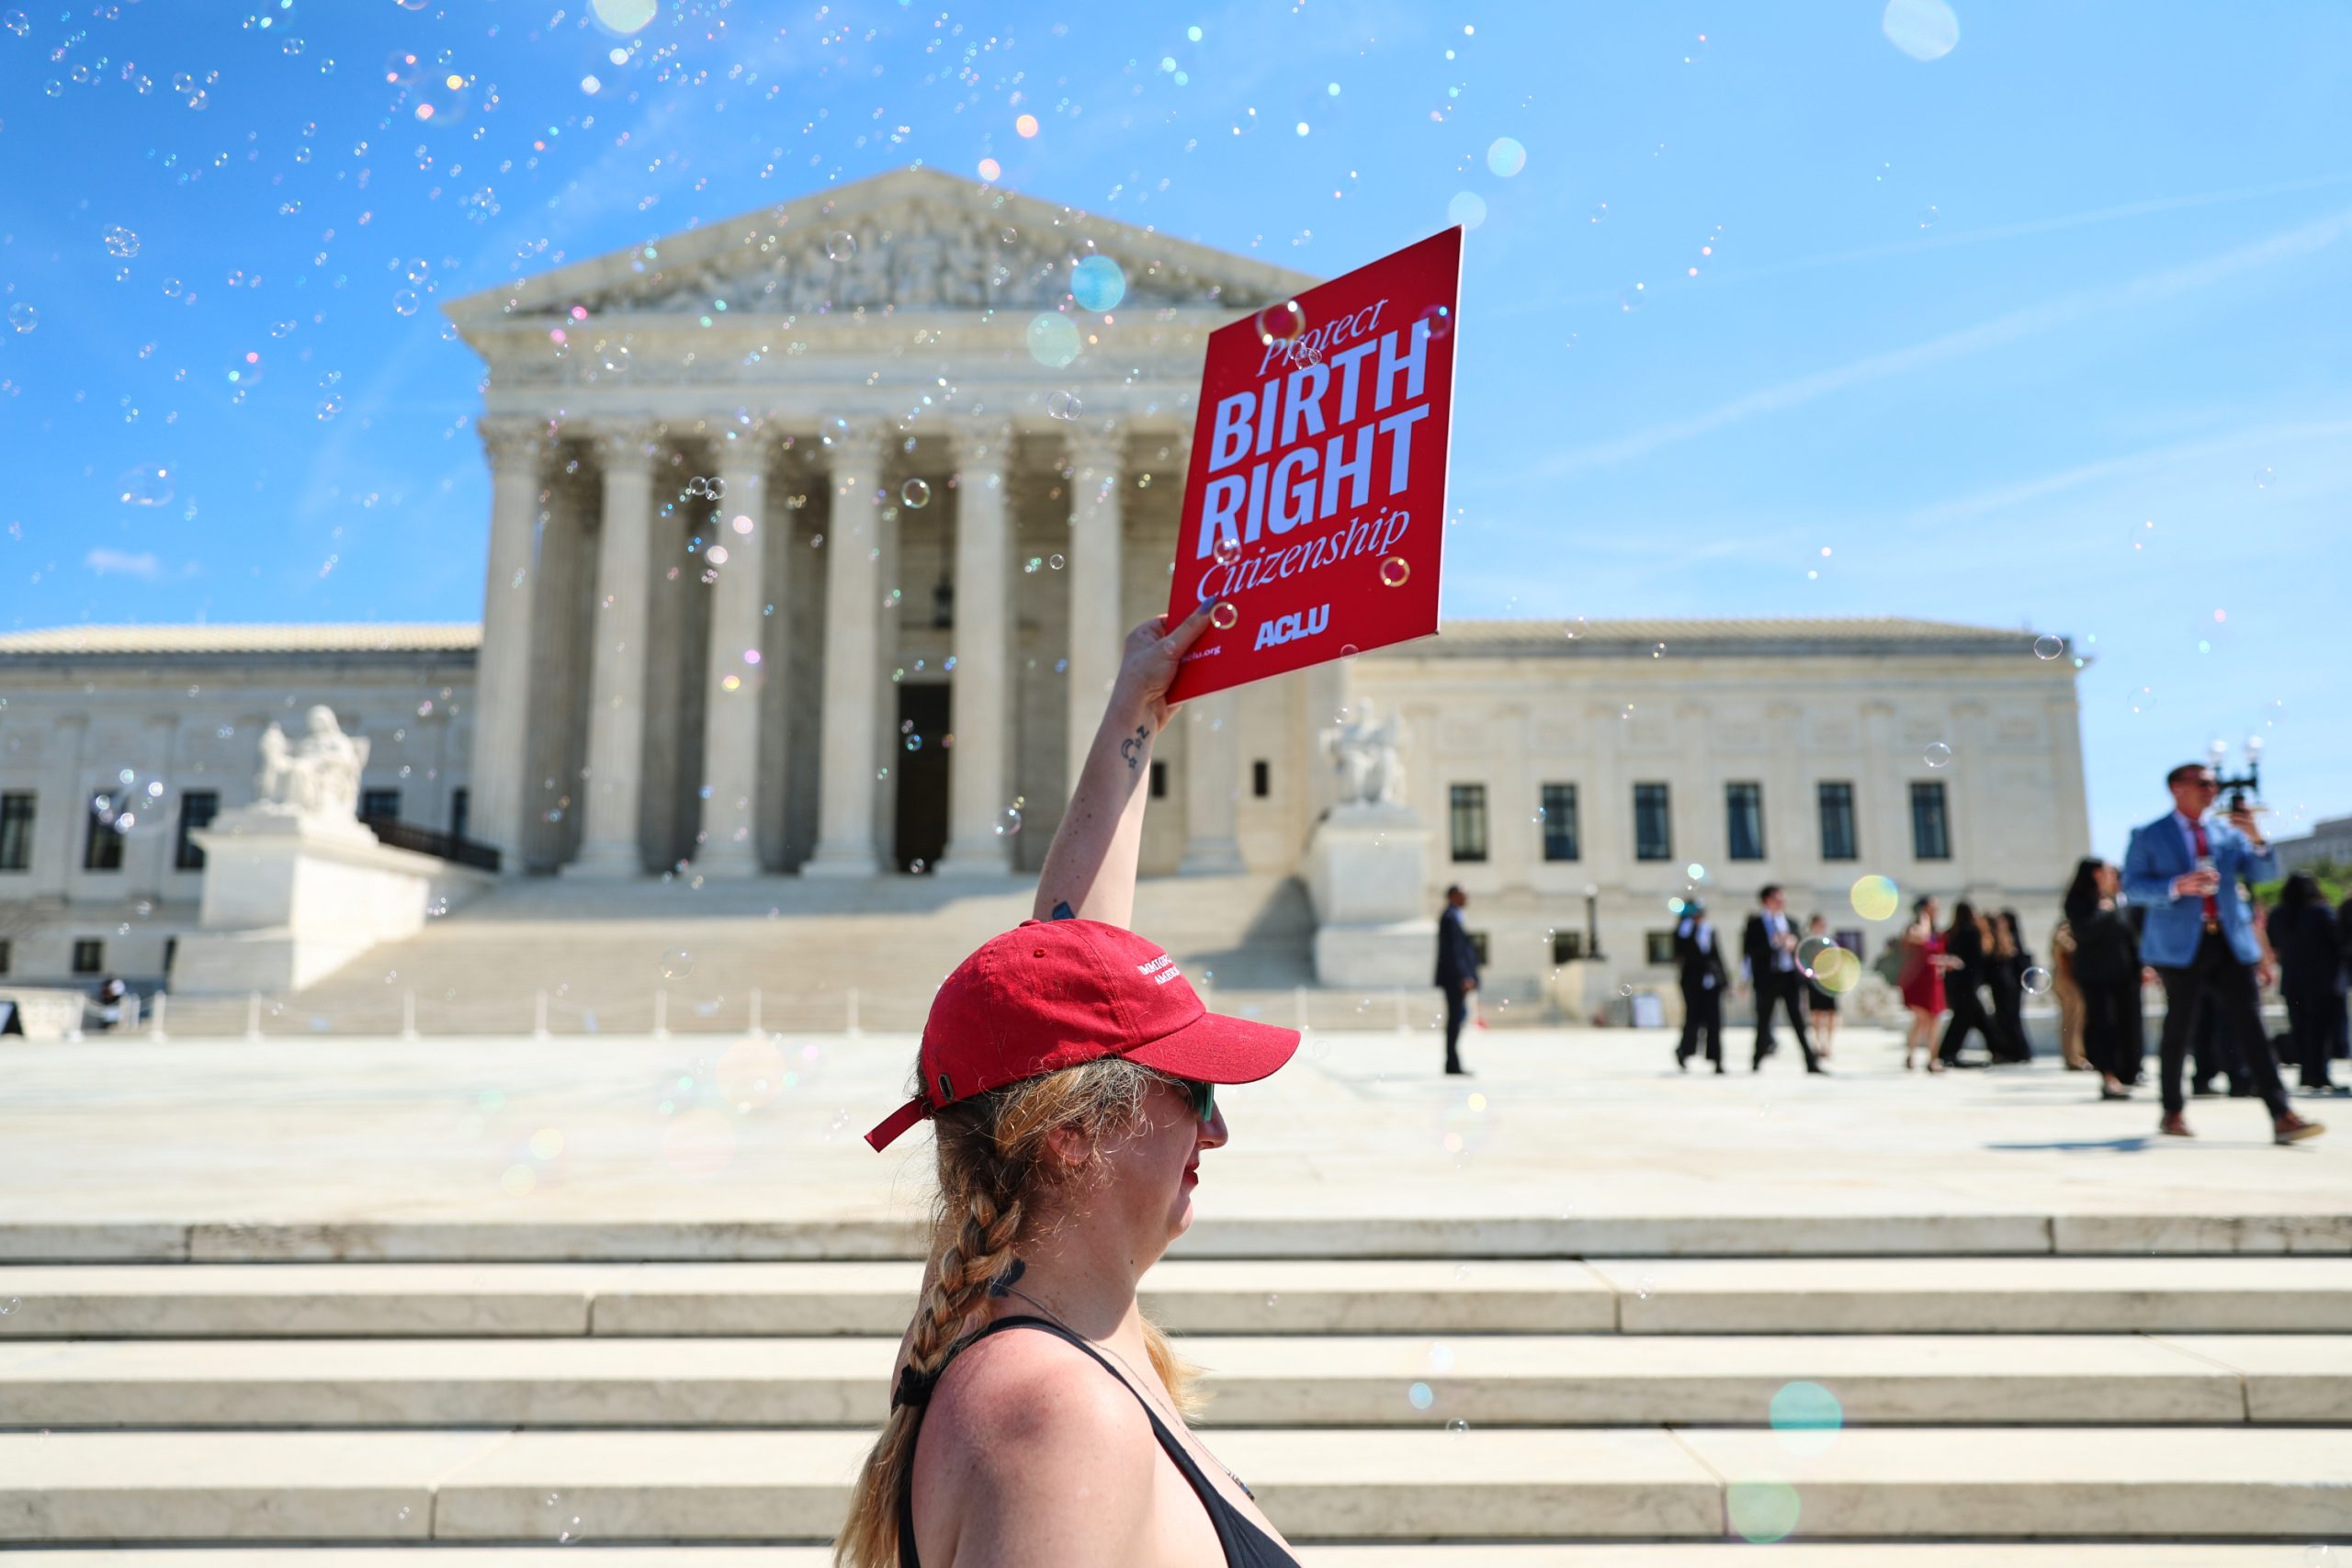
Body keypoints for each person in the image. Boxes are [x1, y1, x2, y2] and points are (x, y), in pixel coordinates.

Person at [841, 602, 1309, 1568]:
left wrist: (1134, 712)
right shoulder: (1052, 1416)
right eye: (1196, 1092)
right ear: (1069, 1134)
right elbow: (1060, 1013)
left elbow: (1061, 983)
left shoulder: (1010, 1322)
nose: (1214, 1136)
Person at [2120, 761, 2322, 1145]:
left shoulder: (2226, 833)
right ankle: (2173, 1110)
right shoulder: (2149, 835)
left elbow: (2264, 876)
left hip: (2228, 941)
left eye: (2213, 783)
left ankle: (2281, 1114)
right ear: (2177, 788)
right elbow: (2133, 887)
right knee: (2179, 1030)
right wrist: (2177, 886)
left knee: (2252, 1028)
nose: (2212, 789)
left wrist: (2257, 839)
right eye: (2203, 782)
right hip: (2181, 946)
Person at [2064, 858, 2143, 1100]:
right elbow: (2084, 932)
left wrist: (2142, 966)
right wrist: (2106, 913)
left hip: (2125, 973)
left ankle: (2129, 1071)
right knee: (2103, 1024)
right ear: (2096, 874)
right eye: (2107, 872)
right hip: (2096, 975)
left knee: (2129, 1022)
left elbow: (2132, 937)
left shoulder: (2121, 901)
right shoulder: (2079, 901)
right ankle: (2109, 1075)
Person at [2268, 874, 2347, 1095]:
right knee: (2320, 1031)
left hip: (2292, 982)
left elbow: (2274, 943)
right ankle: (2318, 1074)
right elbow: (2338, 940)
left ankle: (2307, 1073)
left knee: (2301, 1029)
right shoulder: (2321, 912)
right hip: (2322, 982)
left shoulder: (2277, 914)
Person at [1741, 886, 1824, 1074]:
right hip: (1767, 979)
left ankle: (1811, 1062)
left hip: (1789, 979)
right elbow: (1749, 952)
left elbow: (1803, 950)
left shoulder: (1792, 923)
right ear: (1766, 900)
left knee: (1798, 1021)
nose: (1782, 901)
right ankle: (1756, 1060)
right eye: (1778, 898)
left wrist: (1793, 945)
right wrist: (1773, 943)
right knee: (1763, 1021)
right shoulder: (1755, 924)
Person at [1936, 903, 2007, 1067]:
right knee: (1968, 1019)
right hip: (1968, 985)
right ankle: (1998, 1050)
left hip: (1954, 984)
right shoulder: (1972, 933)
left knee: (1975, 1019)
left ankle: (1998, 1050)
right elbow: (1977, 960)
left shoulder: (1951, 933)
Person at [1898, 895, 1955, 1072]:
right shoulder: (1914, 928)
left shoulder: (1937, 933)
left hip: (1933, 981)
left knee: (1934, 1021)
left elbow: (1934, 954)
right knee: (1922, 1019)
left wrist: (1947, 961)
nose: (1935, 911)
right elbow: (1921, 939)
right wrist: (1924, 919)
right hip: (1916, 980)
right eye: (1932, 907)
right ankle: (1911, 1054)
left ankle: (1933, 1059)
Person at [1673, 898, 1728, 1074]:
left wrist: (1725, 981)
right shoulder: (1683, 932)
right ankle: (1684, 1051)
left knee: (1715, 1021)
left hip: (1711, 982)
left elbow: (1717, 956)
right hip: (1692, 983)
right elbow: (1679, 954)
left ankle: (1717, 1060)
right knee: (1693, 1020)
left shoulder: (1709, 930)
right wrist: (1686, 932)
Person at [1434, 885, 1479, 1077]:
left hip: (1455, 979)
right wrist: (1464, 976)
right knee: (1454, 1020)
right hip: (1454, 980)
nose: (1467, 898)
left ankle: (1453, 1062)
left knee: (1457, 1020)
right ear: (1453, 896)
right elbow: (1453, 952)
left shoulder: (1454, 916)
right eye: (1463, 895)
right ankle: (1452, 1063)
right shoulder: (1449, 917)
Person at [2049, 884, 2091, 1072]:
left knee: (2075, 1018)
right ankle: (2073, 1057)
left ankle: (2076, 1055)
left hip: (2067, 977)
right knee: (2072, 1018)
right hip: (2066, 978)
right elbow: (2063, 945)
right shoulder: (2067, 926)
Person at [1987, 910, 2033, 1063]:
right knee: (2009, 1019)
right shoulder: (2007, 938)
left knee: (2009, 1019)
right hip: (2009, 986)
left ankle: (2019, 1051)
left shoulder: (2006, 938)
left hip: (2006, 986)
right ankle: (2017, 1051)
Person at [1802, 912, 1841, 1062]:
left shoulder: (1830, 941)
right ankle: (1819, 1044)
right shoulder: (1808, 943)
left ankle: (1828, 1045)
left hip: (1829, 981)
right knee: (1816, 1013)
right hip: (1814, 982)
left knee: (1832, 1013)